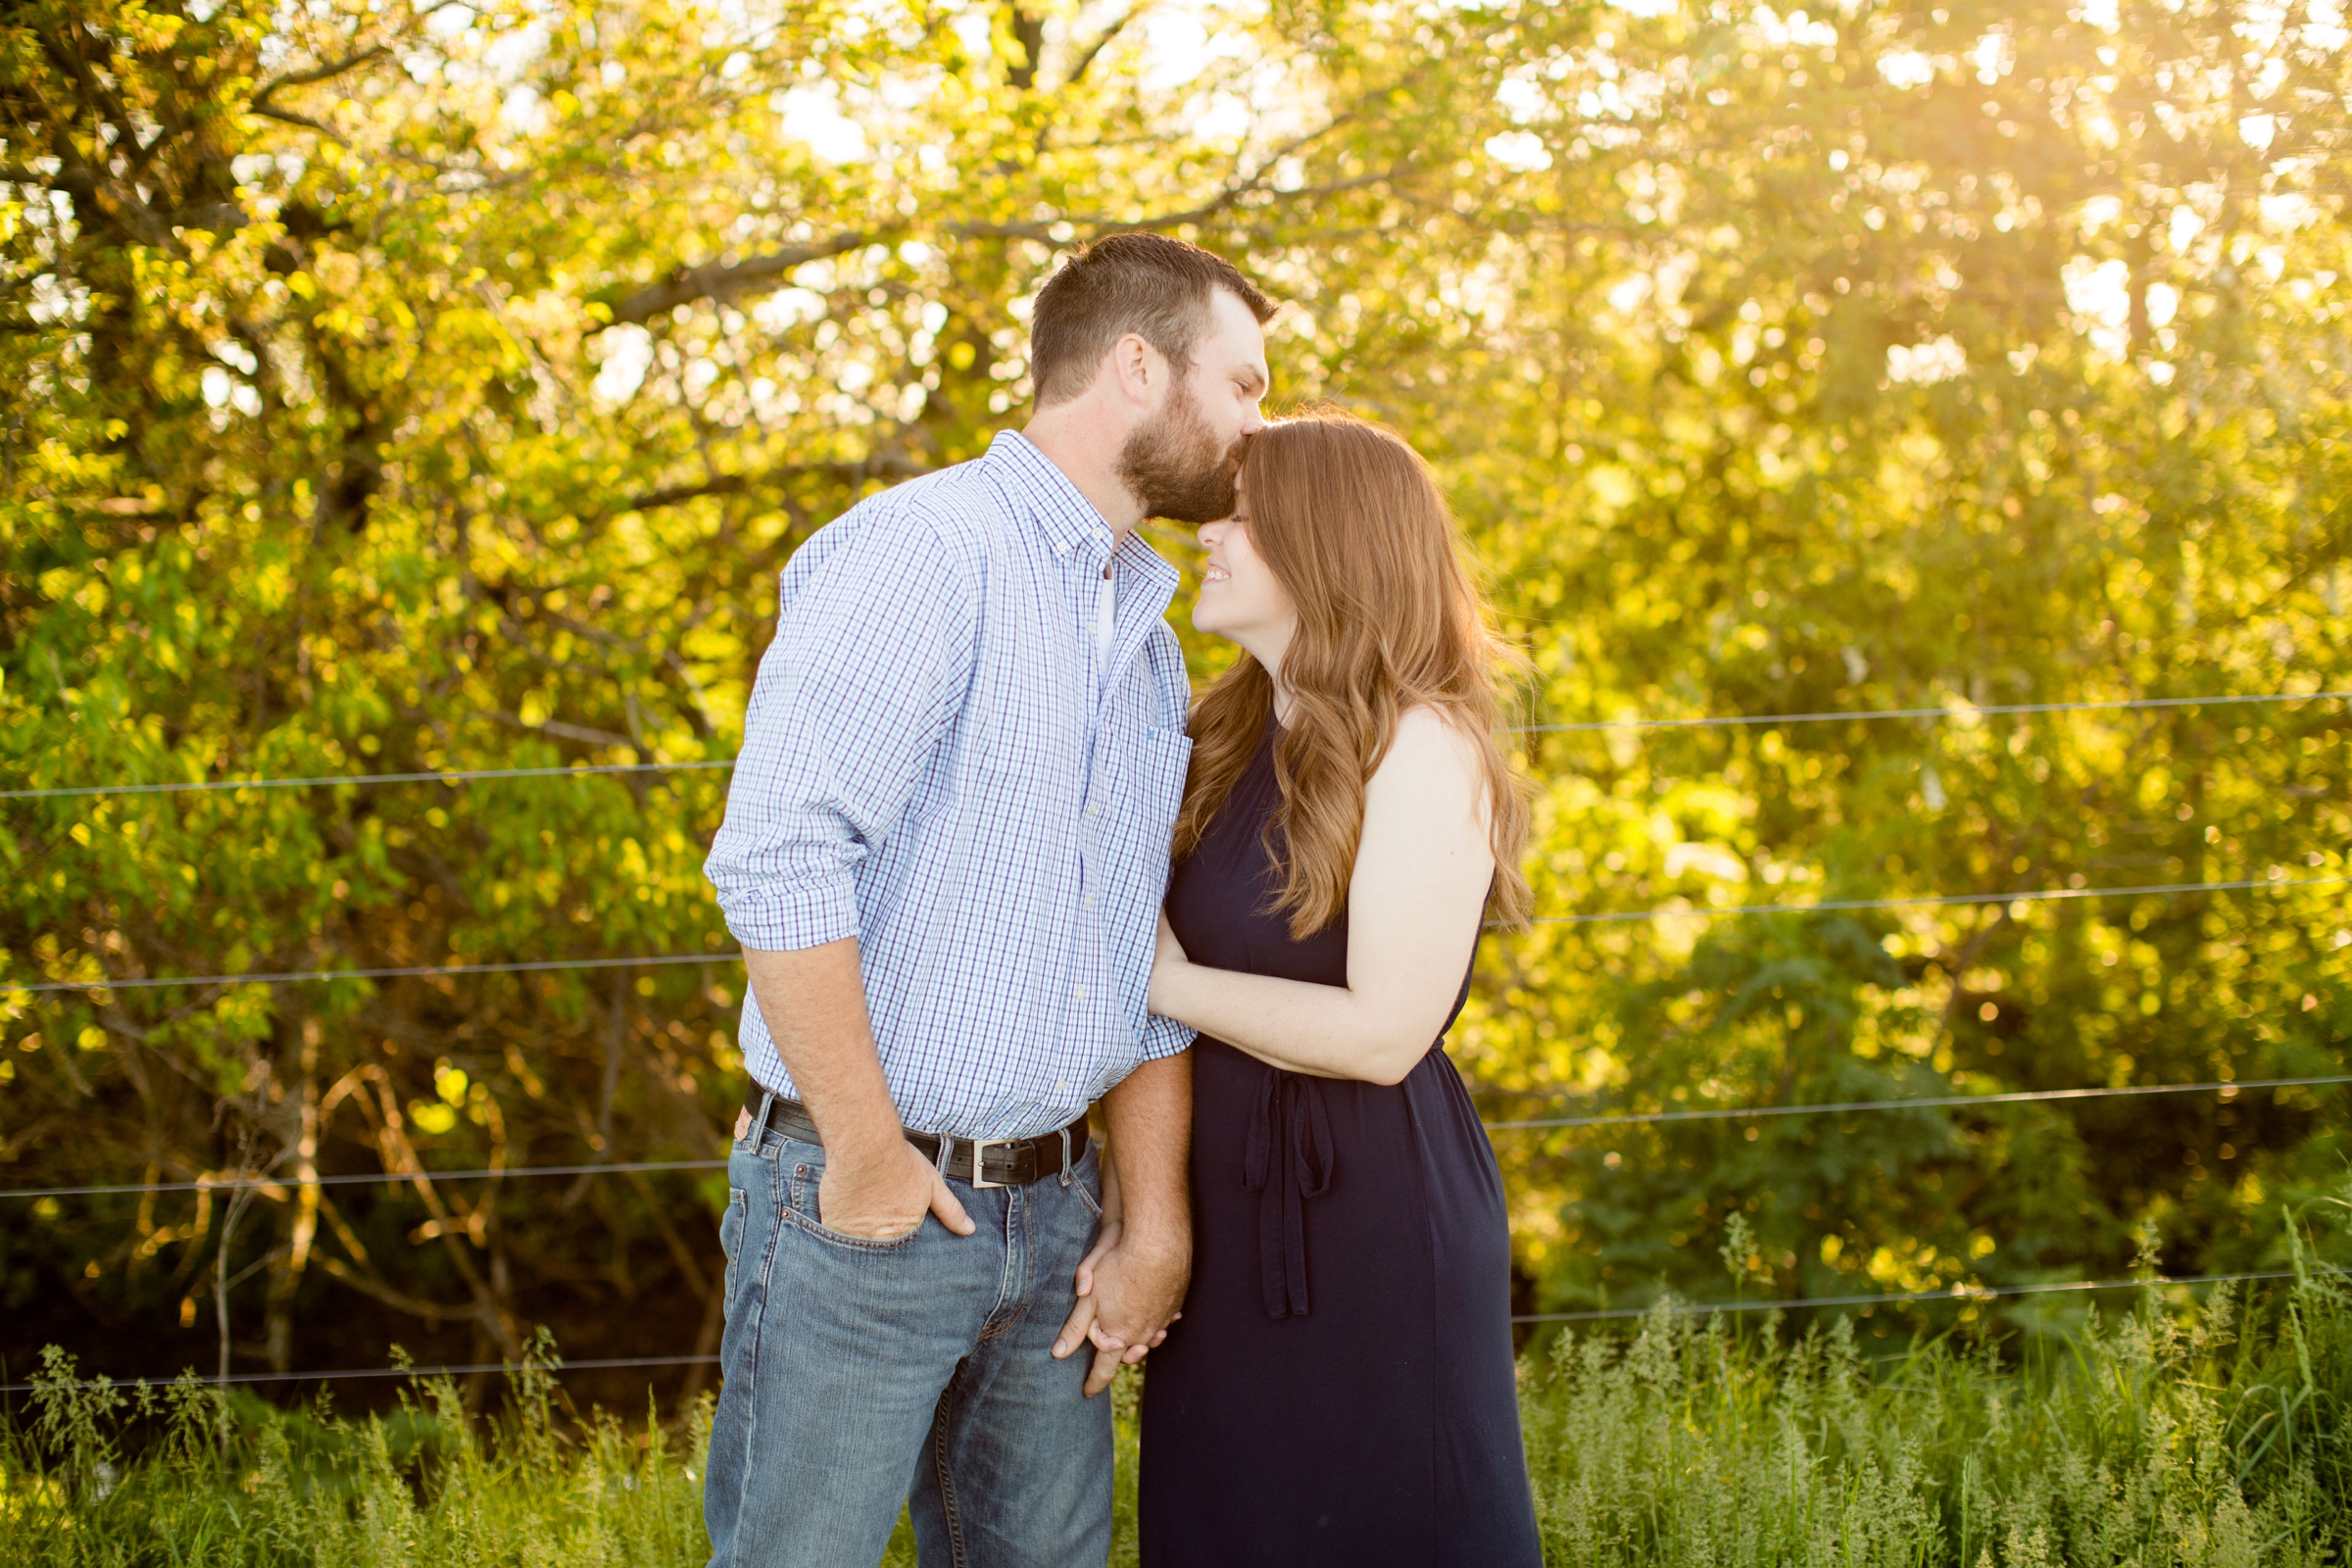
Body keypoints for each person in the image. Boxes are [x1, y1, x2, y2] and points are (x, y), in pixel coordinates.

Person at [699, 233, 1273, 1568]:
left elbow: (1129, 949)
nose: (1258, 421)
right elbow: (779, 858)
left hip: (1055, 1224)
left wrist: (1153, 1224)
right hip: (863, 1213)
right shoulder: (922, 554)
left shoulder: (1143, 626)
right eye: (1240, 384)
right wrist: (862, 1154)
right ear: (1138, 366)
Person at [1135, 409, 1544, 1567]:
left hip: (1371, 1217)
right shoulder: (1226, 731)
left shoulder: (1426, 743)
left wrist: (1162, 981)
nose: (1207, 536)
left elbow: (1383, 1033)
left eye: (1240, 516)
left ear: (1327, 544)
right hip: (1224, 1214)